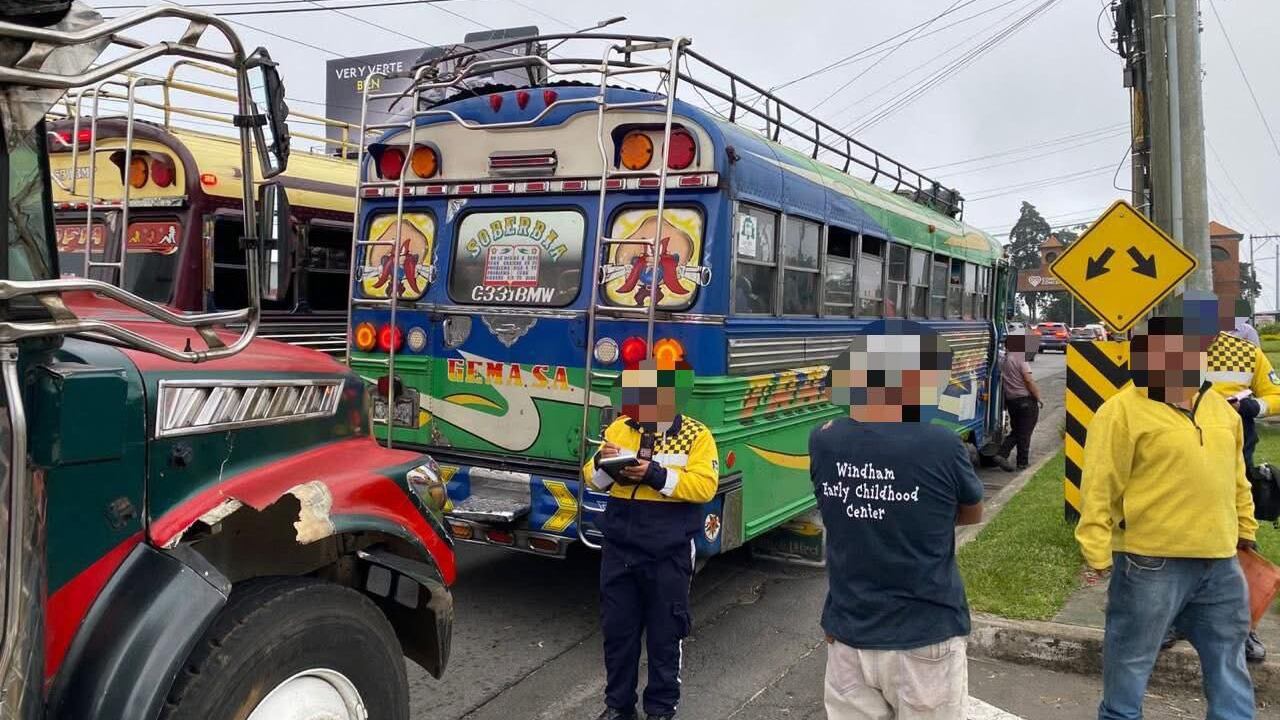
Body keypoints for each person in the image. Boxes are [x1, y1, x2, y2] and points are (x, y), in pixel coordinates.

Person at [1076, 306, 1258, 720]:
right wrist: (1096, 552)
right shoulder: (1121, 411)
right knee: (1131, 657)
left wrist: (1245, 529)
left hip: (1220, 561)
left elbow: (1237, 479)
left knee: (1228, 658)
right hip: (1150, 562)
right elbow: (1100, 485)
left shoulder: (1221, 410)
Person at [811, 319, 985, 720]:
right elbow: (971, 512)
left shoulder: (823, 439)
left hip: (848, 633)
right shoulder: (942, 444)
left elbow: (836, 512)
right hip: (924, 635)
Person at [583, 355, 719, 720]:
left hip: (668, 553)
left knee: (665, 635)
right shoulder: (619, 429)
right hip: (619, 549)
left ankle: (660, 709)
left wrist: (655, 475)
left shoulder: (697, 435)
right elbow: (591, 478)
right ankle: (618, 707)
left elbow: (705, 486)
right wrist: (603, 464)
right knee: (618, 635)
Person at [995, 332, 1043, 471]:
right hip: (1025, 400)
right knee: (1025, 432)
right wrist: (1038, 397)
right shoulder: (1020, 358)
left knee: (1018, 430)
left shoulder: (1004, 359)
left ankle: (1003, 454)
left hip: (1011, 400)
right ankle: (1020, 461)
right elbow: (1028, 380)